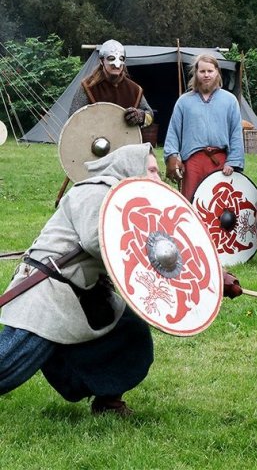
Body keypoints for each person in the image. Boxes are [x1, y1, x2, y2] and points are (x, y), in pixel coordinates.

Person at [0, 143, 159, 415]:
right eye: (153, 170)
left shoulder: (132, 204)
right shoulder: (96, 190)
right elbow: (97, 241)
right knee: (8, 364)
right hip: (48, 288)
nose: (159, 178)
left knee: (129, 333)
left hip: (85, 290)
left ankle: (107, 400)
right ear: (130, 168)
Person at [163, 54, 245, 201]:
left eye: (210, 71)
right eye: (202, 71)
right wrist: (172, 157)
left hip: (220, 162)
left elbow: (236, 133)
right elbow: (173, 132)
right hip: (192, 163)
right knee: (191, 203)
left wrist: (233, 161)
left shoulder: (230, 100)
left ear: (217, 73)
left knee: (219, 205)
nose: (206, 75)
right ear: (196, 73)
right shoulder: (184, 102)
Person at [69, 39, 154, 129]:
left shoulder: (134, 90)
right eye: (111, 59)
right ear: (102, 61)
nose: (116, 64)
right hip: (93, 139)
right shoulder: (88, 87)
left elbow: (150, 116)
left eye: (121, 59)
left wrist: (141, 116)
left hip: (127, 140)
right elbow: (73, 120)